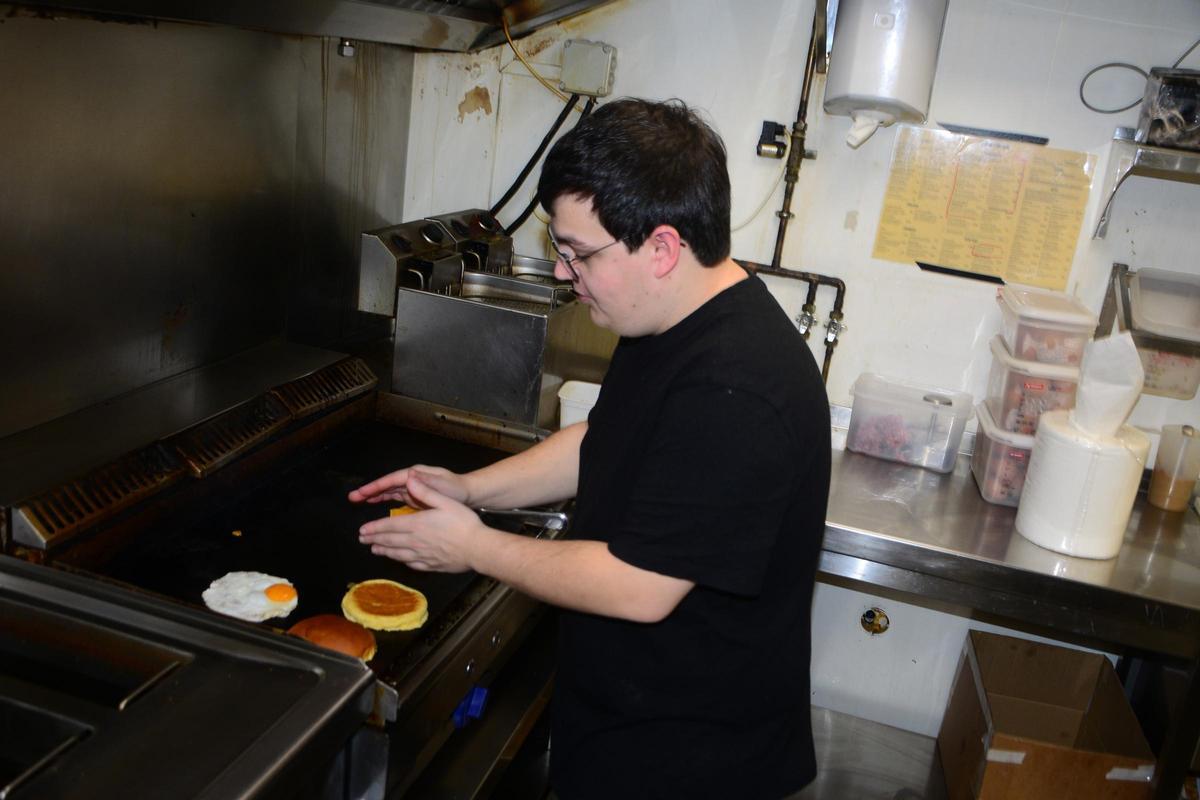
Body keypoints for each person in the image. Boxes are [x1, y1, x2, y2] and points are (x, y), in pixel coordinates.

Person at [350, 98, 831, 800]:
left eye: (578, 252)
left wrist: (473, 546)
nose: (564, 273)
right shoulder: (666, 318)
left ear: (662, 248)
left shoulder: (740, 386)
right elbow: (602, 442)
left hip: (689, 764)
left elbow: (639, 587)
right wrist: (467, 489)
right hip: (626, 724)